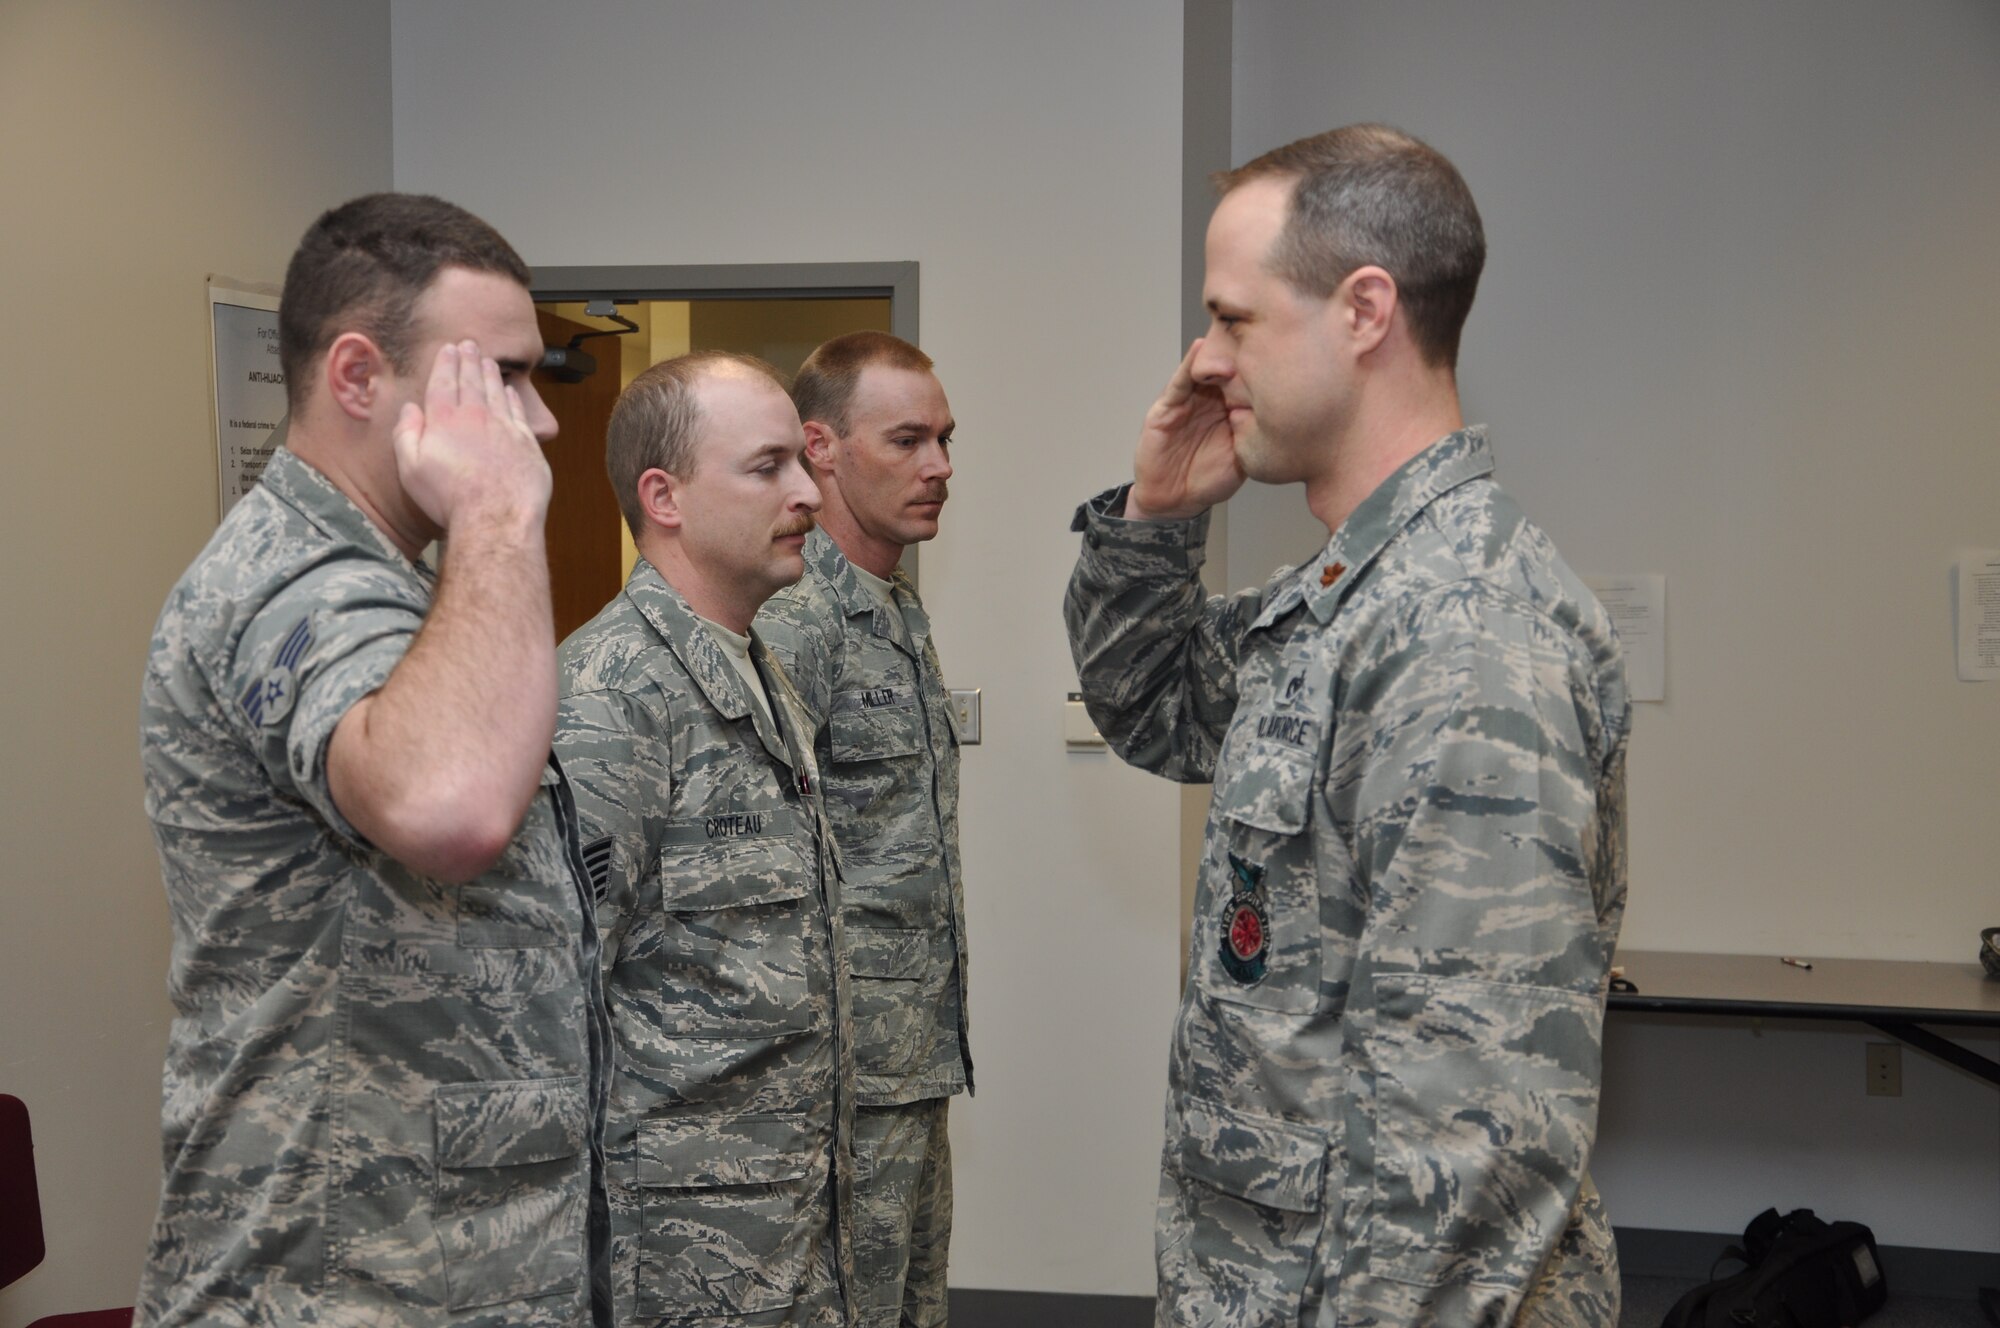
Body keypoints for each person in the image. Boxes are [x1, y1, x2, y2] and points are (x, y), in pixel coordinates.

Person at [1063, 124, 1631, 1326]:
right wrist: (1155, 516)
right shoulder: (1350, 599)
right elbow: (1152, 704)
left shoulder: (1461, 632)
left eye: (1234, 319)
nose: (1204, 360)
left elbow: (1463, 1137)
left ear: (1364, 310)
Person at [137, 193, 610, 1326]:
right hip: (331, 1277)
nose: (537, 424)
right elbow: (446, 805)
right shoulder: (294, 579)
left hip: (430, 1265)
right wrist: (499, 513)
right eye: (499, 376)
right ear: (358, 377)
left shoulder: (395, 583)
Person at [553, 352, 855, 1326]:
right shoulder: (609, 697)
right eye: (767, 466)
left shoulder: (757, 666)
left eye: (802, 465)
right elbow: (553, 1003)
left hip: (790, 1221)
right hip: (674, 1256)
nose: (807, 491)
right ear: (664, 496)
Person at [757, 332, 970, 1328]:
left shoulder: (893, 607)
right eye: (907, 439)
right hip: (838, 1081)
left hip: (908, 1059)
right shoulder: (795, 619)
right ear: (822, 447)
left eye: (943, 439)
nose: (938, 465)